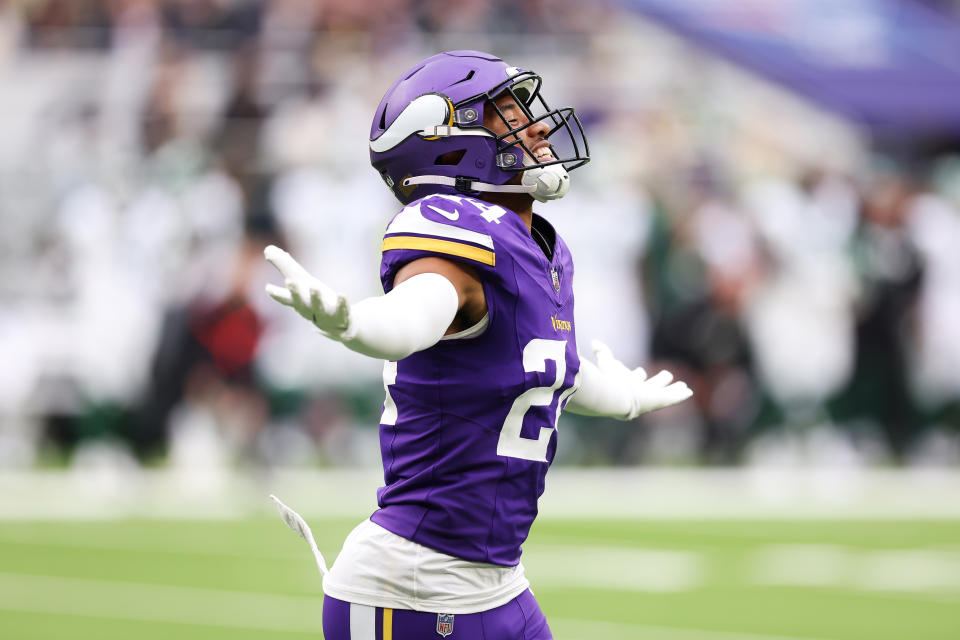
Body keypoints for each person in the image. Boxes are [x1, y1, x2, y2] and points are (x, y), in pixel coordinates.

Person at [265, 50, 693, 640]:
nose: (537, 125)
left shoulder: (537, 245)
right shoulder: (453, 238)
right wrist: (356, 325)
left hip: (496, 582)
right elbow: (415, 316)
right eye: (507, 113)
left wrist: (617, 395)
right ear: (447, 143)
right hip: (409, 584)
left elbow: (537, 368)